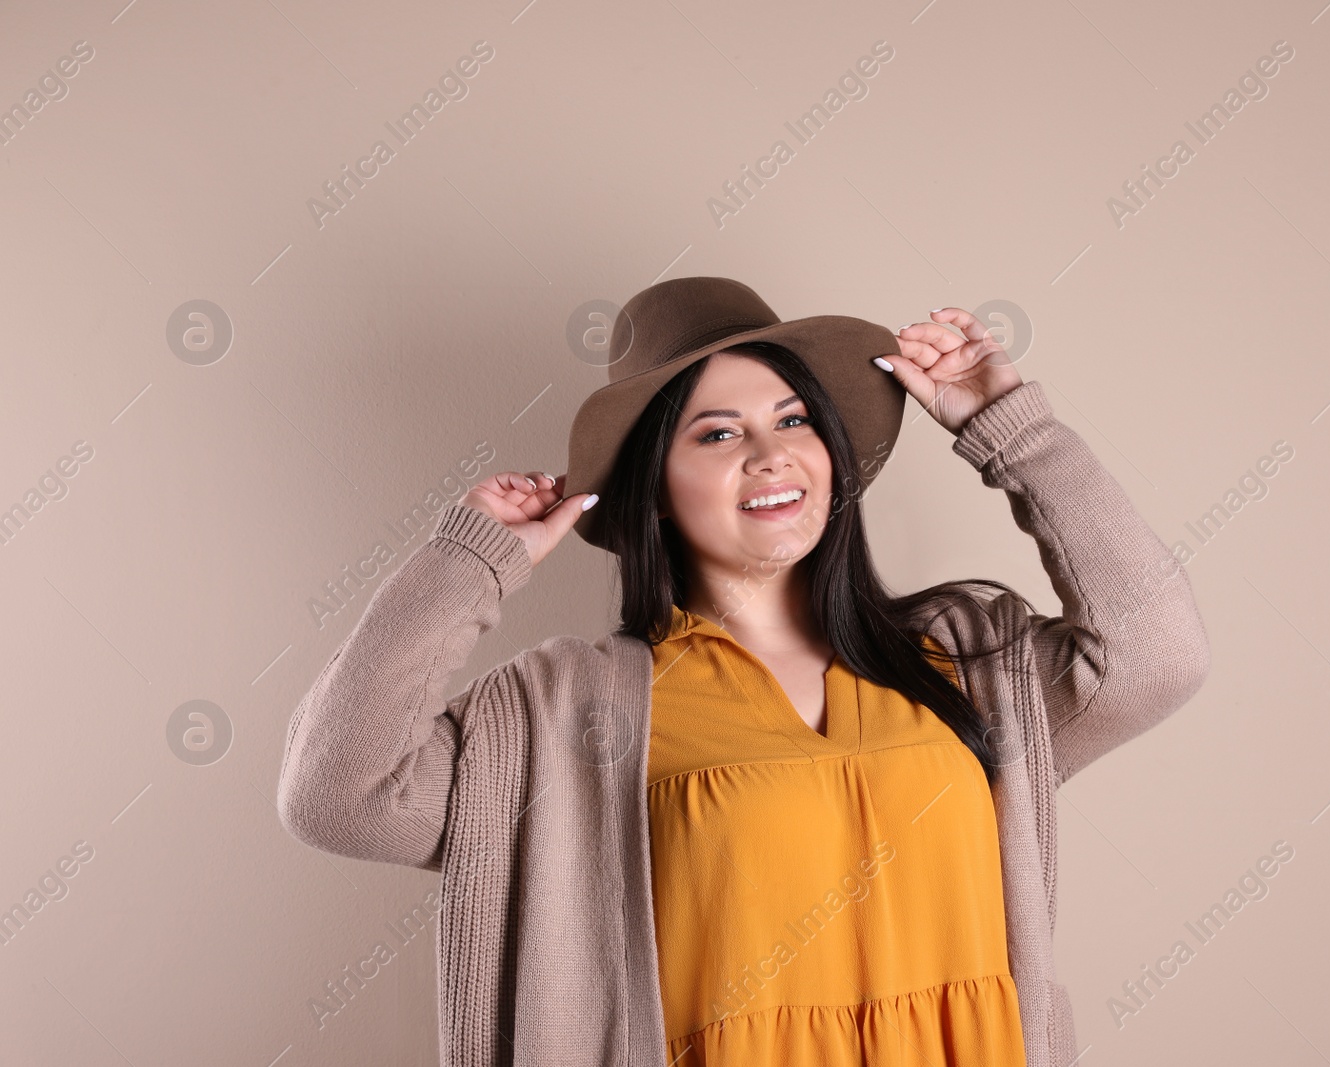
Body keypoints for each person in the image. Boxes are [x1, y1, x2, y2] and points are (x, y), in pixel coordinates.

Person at [277, 276, 1211, 1067]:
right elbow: (339, 793)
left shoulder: (964, 660)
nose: (771, 454)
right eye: (716, 434)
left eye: (794, 418)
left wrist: (1012, 431)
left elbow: (1157, 656)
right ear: (657, 485)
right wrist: (469, 562)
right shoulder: (576, 712)